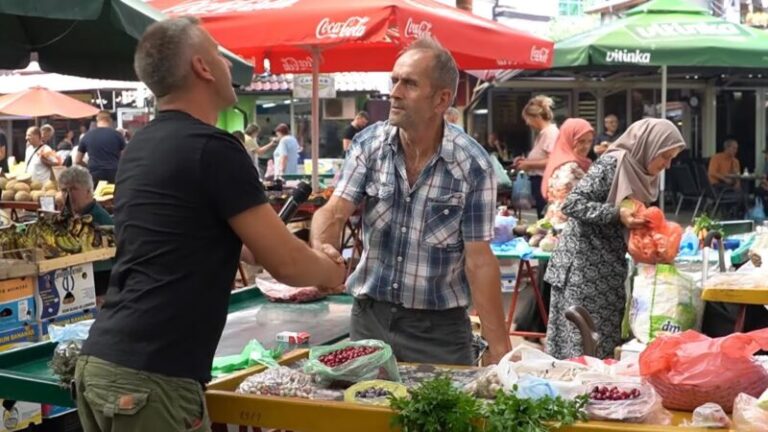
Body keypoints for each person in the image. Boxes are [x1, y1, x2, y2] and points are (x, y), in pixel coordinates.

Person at [75, 17, 345, 432]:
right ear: (202, 67)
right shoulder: (213, 148)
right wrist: (331, 270)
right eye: (218, 54)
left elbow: (243, 248)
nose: (227, 64)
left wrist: (294, 251)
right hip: (153, 378)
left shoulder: (140, 147)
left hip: (104, 362)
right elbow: (286, 264)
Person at [310, 36, 510, 366]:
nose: (395, 92)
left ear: (441, 100)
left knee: (444, 402)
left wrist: (499, 348)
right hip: (369, 319)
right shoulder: (369, 145)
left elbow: (479, 261)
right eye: (394, 80)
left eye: (410, 83)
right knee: (364, 400)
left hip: (439, 331)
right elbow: (334, 211)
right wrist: (321, 246)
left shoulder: (472, 164)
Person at [544, 118, 685, 360]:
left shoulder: (640, 173)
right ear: (648, 146)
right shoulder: (612, 165)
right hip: (581, 268)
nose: (667, 165)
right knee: (581, 347)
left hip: (609, 268)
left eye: (671, 158)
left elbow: (629, 220)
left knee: (603, 346)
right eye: (664, 156)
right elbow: (572, 203)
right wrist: (615, 214)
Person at [58, 166, 113, 306]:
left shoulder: (98, 219)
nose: (68, 195)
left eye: (73, 189)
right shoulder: (73, 216)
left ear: (88, 191)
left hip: (97, 287)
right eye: (64, 190)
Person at [542, 118, 594, 228]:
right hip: (569, 226)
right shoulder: (571, 167)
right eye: (581, 141)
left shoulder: (558, 160)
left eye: (589, 141)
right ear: (569, 140)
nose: (586, 146)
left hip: (553, 222)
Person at [514, 95, 558, 219]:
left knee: (545, 217)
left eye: (528, 119)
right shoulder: (542, 134)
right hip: (538, 181)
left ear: (537, 117)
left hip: (545, 181)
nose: (527, 123)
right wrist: (525, 161)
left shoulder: (550, 133)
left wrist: (529, 164)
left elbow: (553, 160)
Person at [75, 111, 127, 184]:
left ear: (97, 120)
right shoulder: (117, 135)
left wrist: (88, 166)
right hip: (113, 173)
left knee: (95, 191)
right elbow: (125, 156)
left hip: (94, 173)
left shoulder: (87, 136)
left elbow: (77, 160)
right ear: (110, 120)